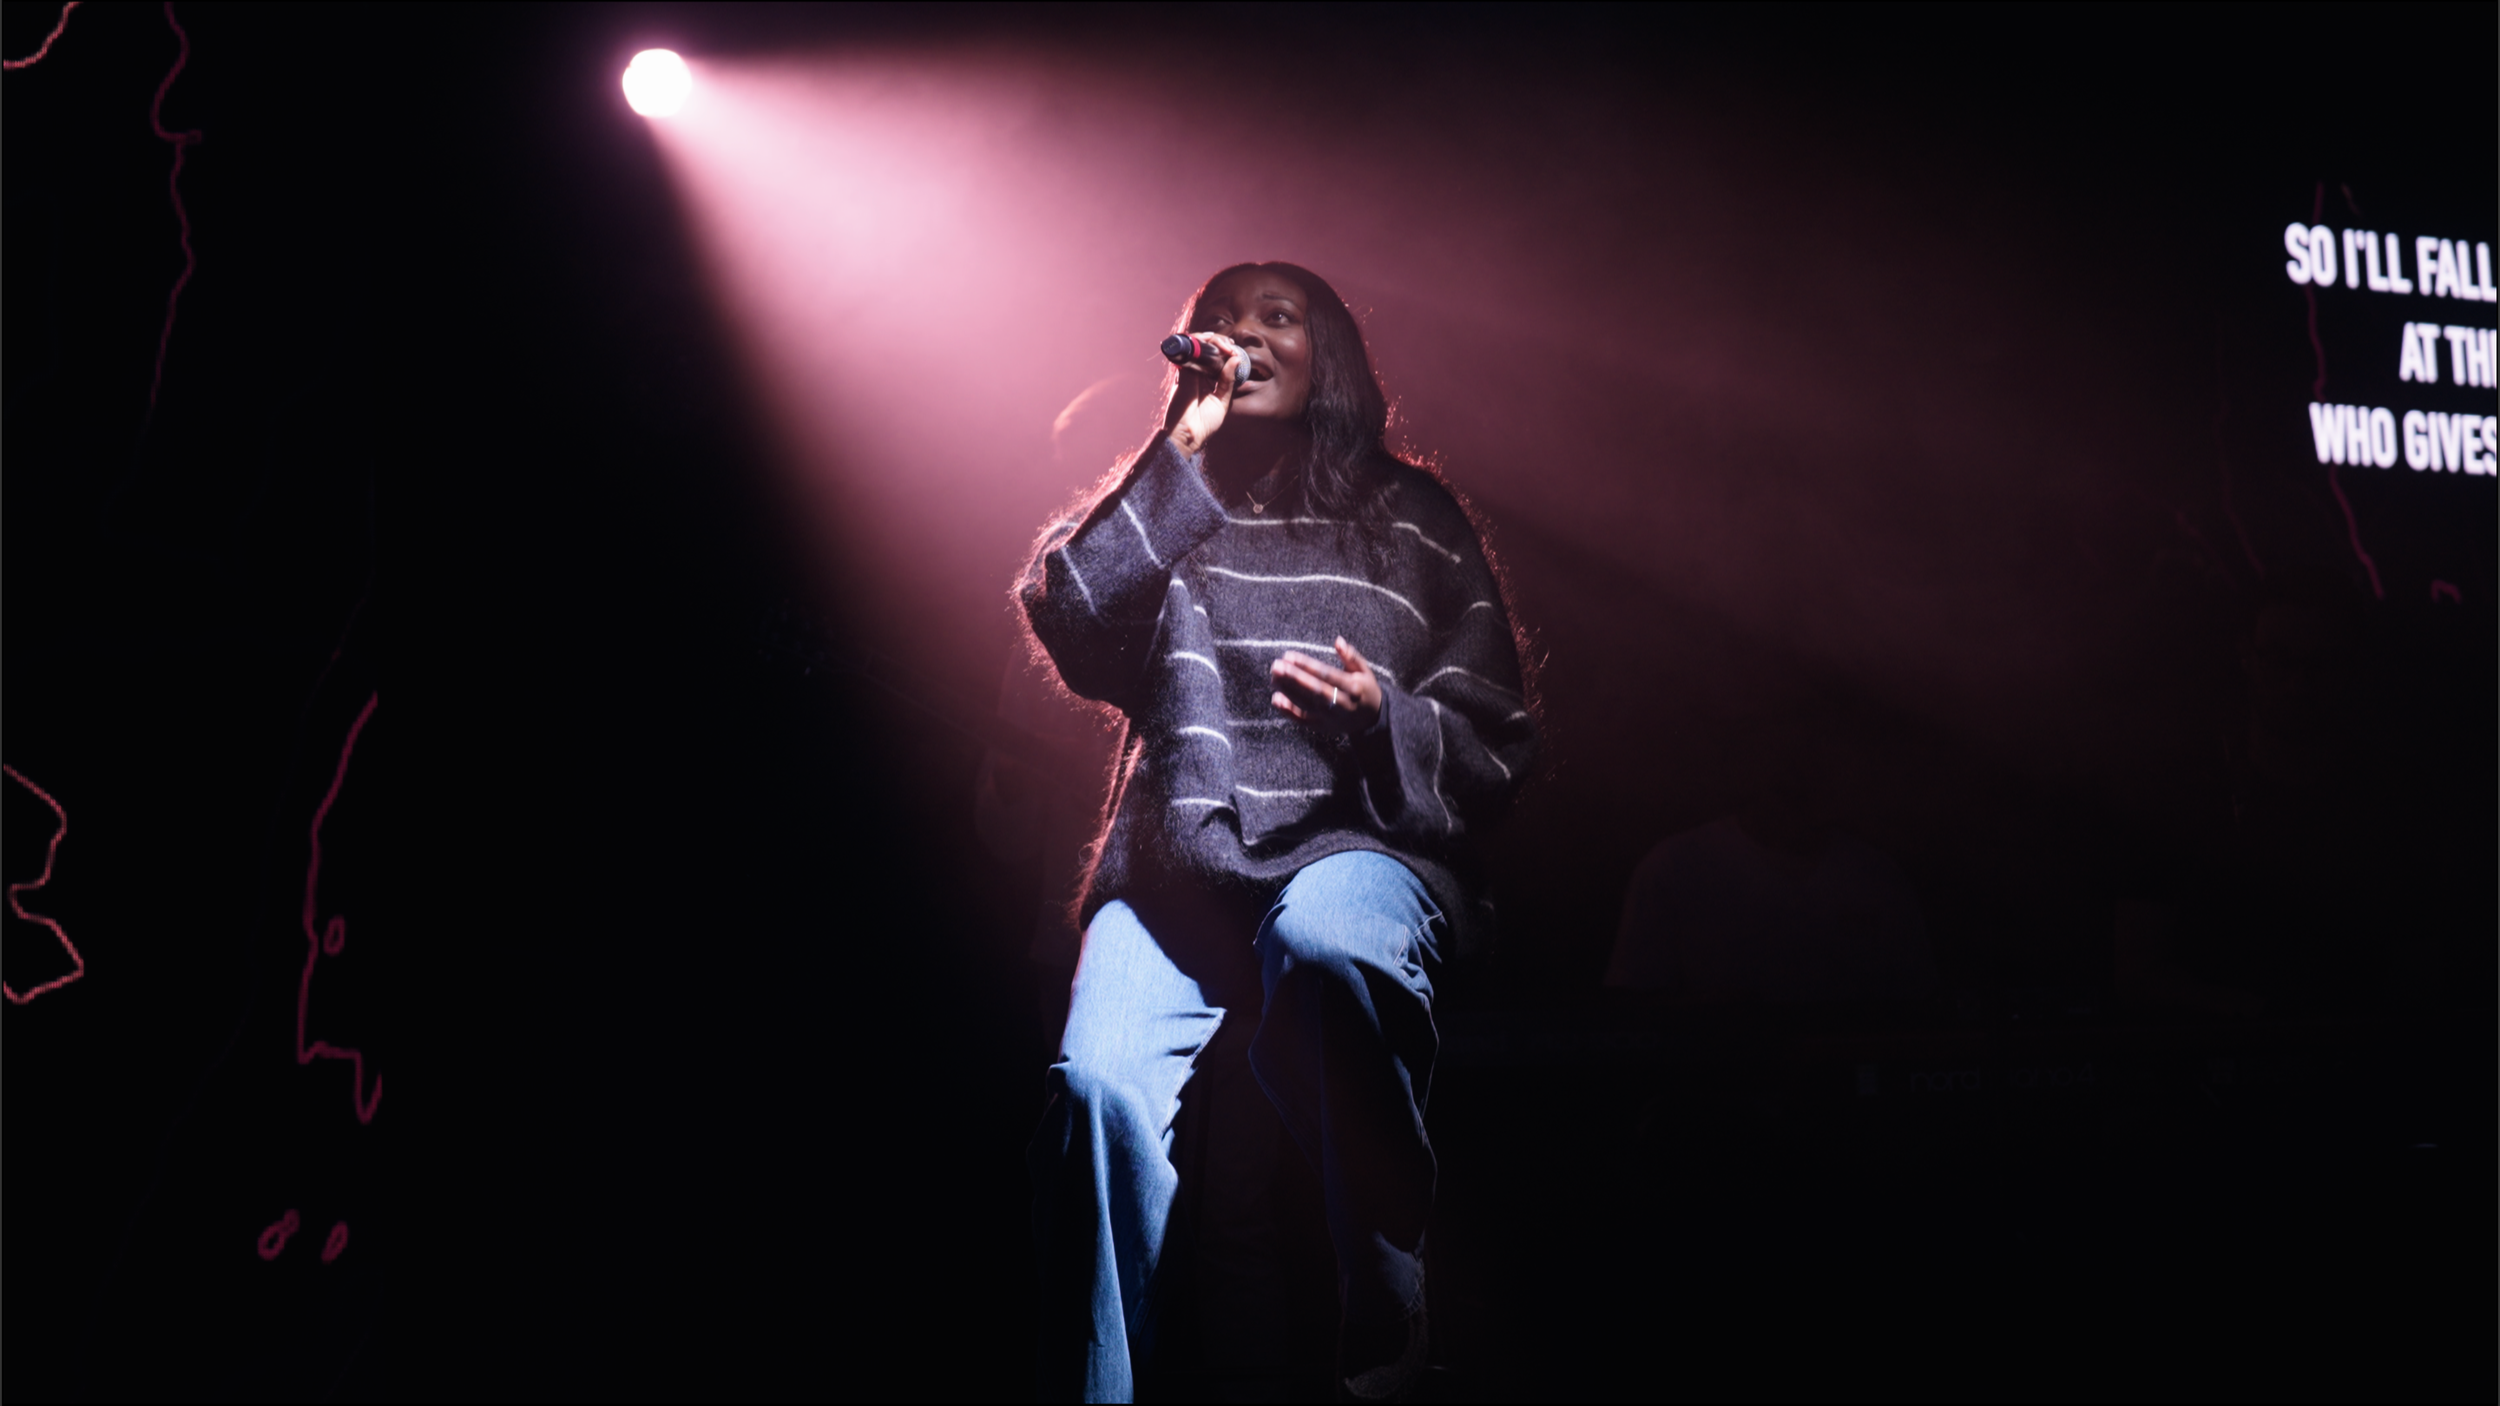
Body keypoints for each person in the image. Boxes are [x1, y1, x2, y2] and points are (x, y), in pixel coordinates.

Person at [1018, 262, 1538, 1402]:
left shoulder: (1415, 517)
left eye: (1275, 317)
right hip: (1178, 868)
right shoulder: (1176, 494)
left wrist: (1382, 717)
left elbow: (1497, 741)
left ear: (1326, 353)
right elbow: (1070, 613)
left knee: (1328, 945)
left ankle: (1387, 1322)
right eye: (1218, 319)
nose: (1241, 335)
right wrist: (1180, 447)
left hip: (1357, 846)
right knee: (1096, 1088)